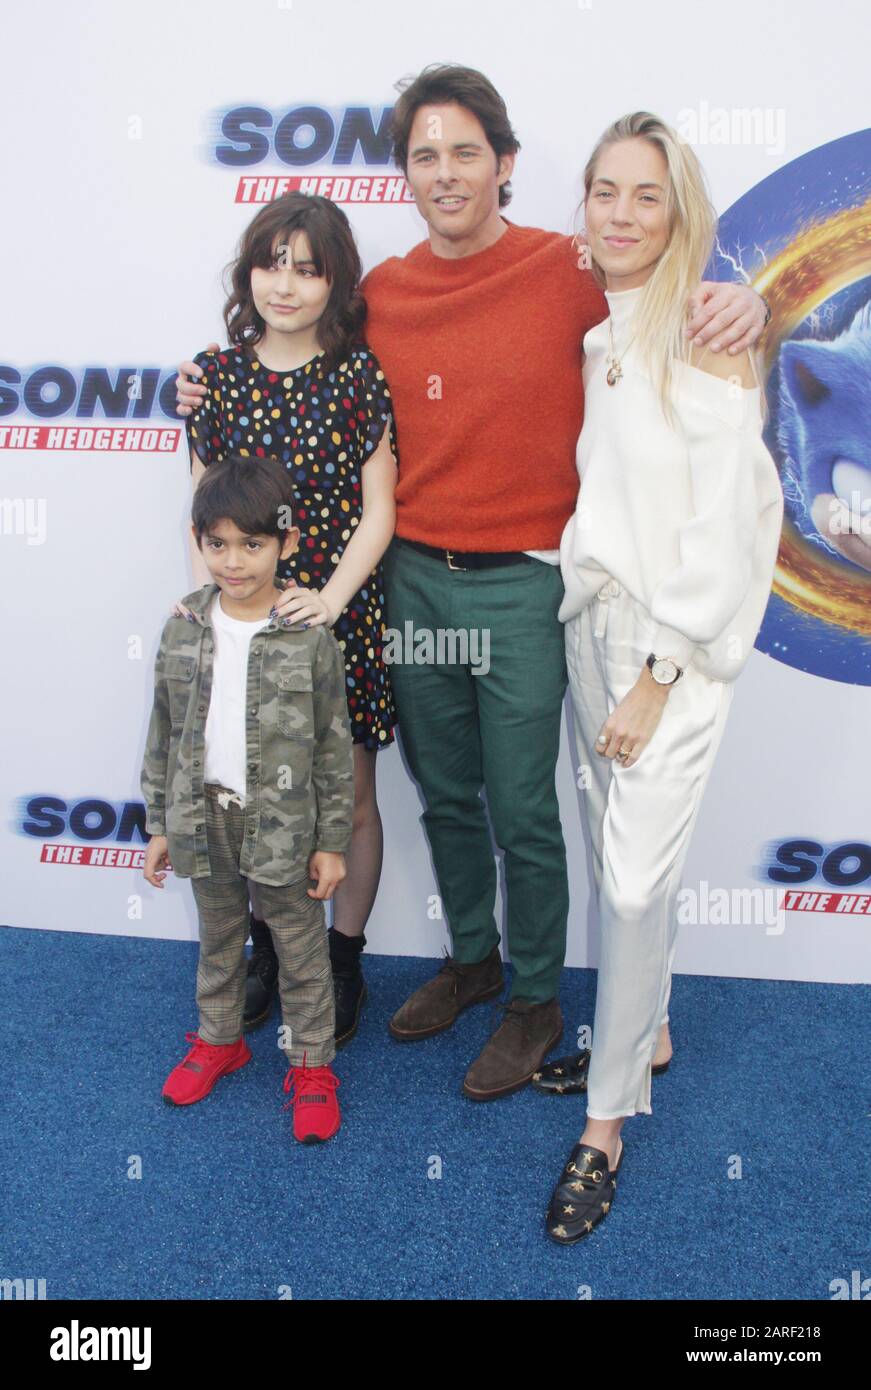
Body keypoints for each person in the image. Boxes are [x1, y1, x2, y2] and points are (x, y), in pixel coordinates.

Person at [176, 65, 769, 1103]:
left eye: (464, 153)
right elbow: (294, 350)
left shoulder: (573, 269)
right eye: (423, 156)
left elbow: (667, 280)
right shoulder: (386, 295)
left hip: (527, 589)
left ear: (504, 165)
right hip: (414, 585)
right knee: (444, 791)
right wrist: (201, 381)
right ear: (404, 172)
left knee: (522, 809)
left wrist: (746, 300)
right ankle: (474, 961)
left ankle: (536, 998)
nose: (444, 174)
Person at [537, 112, 783, 1242]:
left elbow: (729, 524)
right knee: (611, 849)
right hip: (592, 624)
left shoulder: (705, 326)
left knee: (631, 883)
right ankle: (654, 1027)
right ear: (582, 207)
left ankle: (603, 1124)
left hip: (665, 650)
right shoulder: (607, 330)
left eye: (646, 194)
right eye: (603, 191)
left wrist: (658, 670)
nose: (622, 214)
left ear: (679, 210)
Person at [174, 193, 398, 1047]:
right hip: (242, 625)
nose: (286, 284)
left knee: (348, 802)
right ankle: (269, 948)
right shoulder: (215, 376)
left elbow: (380, 510)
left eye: (308, 268)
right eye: (272, 263)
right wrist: (208, 610)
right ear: (249, 272)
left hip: (336, 617)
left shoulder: (357, 375)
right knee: (254, 798)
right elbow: (202, 508)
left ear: (335, 280)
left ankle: (342, 956)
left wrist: (332, 602)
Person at [141, 453, 355, 1143]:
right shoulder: (182, 627)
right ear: (199, 542)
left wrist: (331, 841)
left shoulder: (308, 635)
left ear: (286, 544)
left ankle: (313, 1065)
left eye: (252, 545)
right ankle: (218, 1040)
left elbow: (332, 748)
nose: (233, 562)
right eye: (217, 544)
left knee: (298, 944)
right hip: (203, 817)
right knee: (219, 937)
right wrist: (159, 823)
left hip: (286, 826)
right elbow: (165, 733)